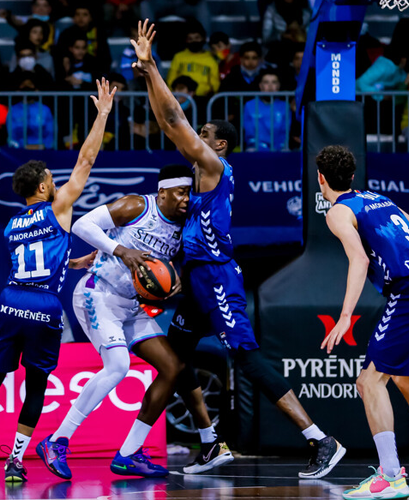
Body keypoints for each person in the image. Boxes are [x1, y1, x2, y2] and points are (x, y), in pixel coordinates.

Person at [132, 20, 345, 477]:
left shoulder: (213, 166)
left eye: (203, 132)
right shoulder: (202, 167)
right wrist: (149, 76)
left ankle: (321, 440)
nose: (196, 137)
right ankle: (209, 444)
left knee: (246, 360)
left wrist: (152, 66)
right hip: (195, 277)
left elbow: (173, 121)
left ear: (219, 144)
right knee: (173, 358)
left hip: (216, 275)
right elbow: (169, 124)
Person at [0, 78, 115, 483]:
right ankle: (15, 463)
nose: (57, 181)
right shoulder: (58, 208)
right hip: (45, 306)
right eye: (52, 178)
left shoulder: (12, 225)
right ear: (42, 187)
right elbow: (86, 161)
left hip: (10, 300)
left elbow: (31, 263)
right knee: (35, 386)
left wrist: (72, 261)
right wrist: (102, 114)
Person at [313, 145, 409, 499]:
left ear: (321, 178)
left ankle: (391, 476)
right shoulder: (378, 198)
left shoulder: (338, 212)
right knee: (407, 380)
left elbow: (359, 261)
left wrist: (346, 316)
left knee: (368, 382)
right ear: (351, 176)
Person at [39, 165, 191, 479]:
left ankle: (129, 453)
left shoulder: (181, 225)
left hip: (131, 304)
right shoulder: (138, 205)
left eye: (189, 193)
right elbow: (83, 225)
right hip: (98, 294)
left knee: (173, 368)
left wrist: (173, 282)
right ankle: (56, 441)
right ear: (163, 191)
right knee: (118, 366)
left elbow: (163, 268)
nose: (186, 199)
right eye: (180, 192)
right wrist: (120, 250)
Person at [167, 22, 220, 97]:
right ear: (186, 40)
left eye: (197, 38)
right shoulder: (178, 57)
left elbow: (215, 84)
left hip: (203, 100)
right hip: (181, 98)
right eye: (190, 39)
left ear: (203, 38)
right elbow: (170, 80)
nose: (194, 41)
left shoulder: (211, 58)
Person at [243, 69, 290, 151]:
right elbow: (249, 132)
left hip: (279, 148)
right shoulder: (249, 105)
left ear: (278, 85)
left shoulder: (285, 106)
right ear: (260, 85)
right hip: (255, 148)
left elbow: (285, 132)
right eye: (266, 82)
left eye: (274, 82)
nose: (270, 86)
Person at [57, 5, 110, 74]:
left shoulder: (99, 33)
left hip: (94, 71)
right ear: (73, 18)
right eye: (77, 14)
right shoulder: (66, 34)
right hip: (71, 70)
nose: (80, 18)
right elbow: (59, 53)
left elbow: (105, 57)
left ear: (91, 18)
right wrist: (65, 57)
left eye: (85, 15)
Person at [7, 75, 55, 149]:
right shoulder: (13, 110)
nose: (27, 87)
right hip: (19, 151)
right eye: (24, 85)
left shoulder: (45, 110)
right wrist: (21, 147)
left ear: (36, 89)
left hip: (43, 150)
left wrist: (44, 146)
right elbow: (11, 135)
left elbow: (50, 133)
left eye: (29, 84)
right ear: (19, 89)